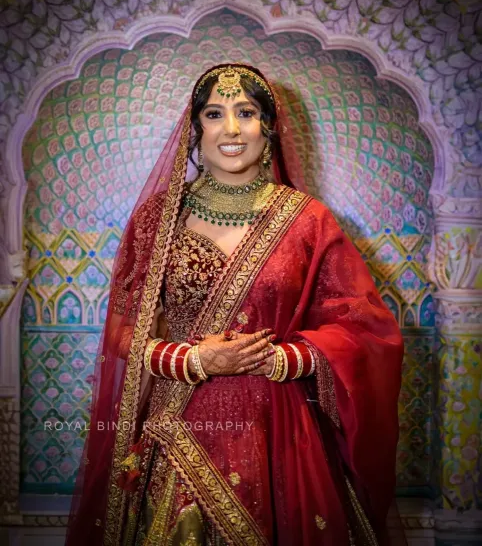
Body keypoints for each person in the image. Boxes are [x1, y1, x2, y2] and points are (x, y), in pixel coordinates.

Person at [66, 63, 404, 546]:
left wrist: (286, 357)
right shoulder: (158, 218)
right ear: (195, 126)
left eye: (245, 112)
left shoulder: (307, 220)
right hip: (178, 423)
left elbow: (363, 328)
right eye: (213, 112)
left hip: (277, 429)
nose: (230, 129)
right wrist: (192, 358)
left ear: (266, 126)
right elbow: (122, 328)